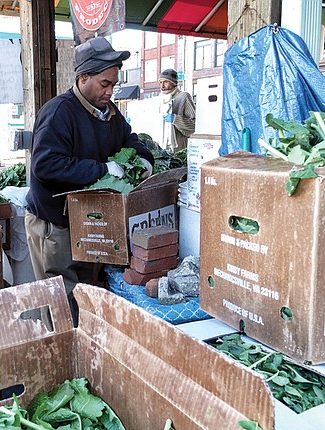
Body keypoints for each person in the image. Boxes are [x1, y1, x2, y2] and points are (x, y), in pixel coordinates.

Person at [24, 36, 153, 320]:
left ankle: (86, 356)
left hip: (89, 223)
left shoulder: (109, 113)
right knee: (60, 300)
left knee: (86, 295)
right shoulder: (59, 112)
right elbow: (45, 165)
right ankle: (63, 359)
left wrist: (143, 159)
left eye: (113, 85)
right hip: (55, 225)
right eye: (105, 84)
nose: (110, 91)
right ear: (83, 78)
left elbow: (129, 139)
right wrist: (102, 170)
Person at [159, 69, 196, 151]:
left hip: (178, 150)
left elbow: (194, 126)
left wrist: (175, 119)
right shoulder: (159, 100)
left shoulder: (183, 97)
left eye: (165, 82)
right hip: (161, 149)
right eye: (161, 82)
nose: (162, 85)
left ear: (174, 83)